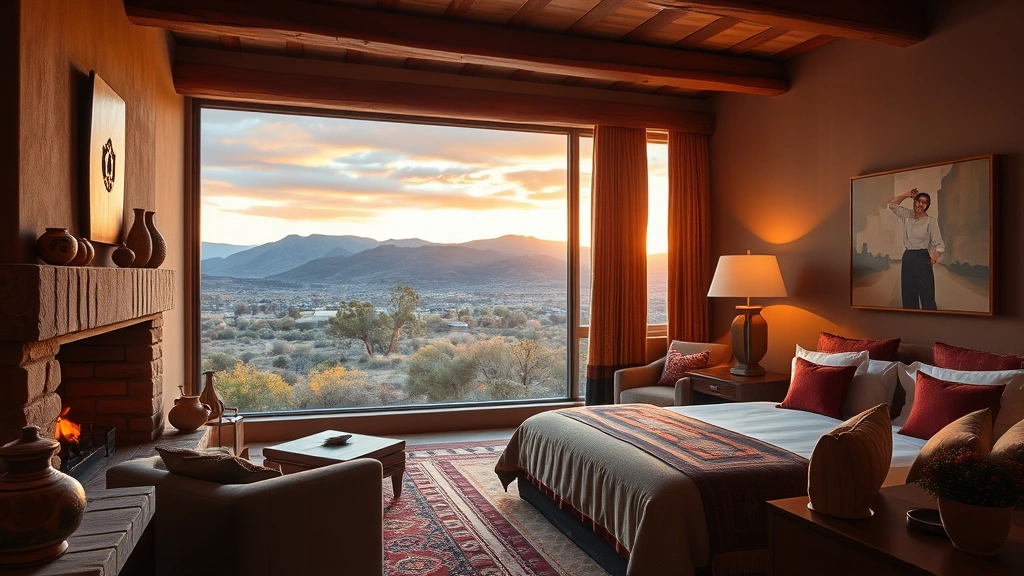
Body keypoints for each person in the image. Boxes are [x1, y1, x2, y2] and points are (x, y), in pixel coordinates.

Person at [887, 188, 945, 309]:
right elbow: (891, 205)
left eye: (924, 202)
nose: (920, 204)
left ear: (927, 206)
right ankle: (911, 318)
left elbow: (940, 246)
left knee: (927, 295)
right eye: (918, 201)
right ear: (914, 201)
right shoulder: (907, 215)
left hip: (922, 256)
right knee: (908, 294)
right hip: (908, 257)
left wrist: (931, 260)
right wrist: (907, 194)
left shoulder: (931, 221)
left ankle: (930, 318)